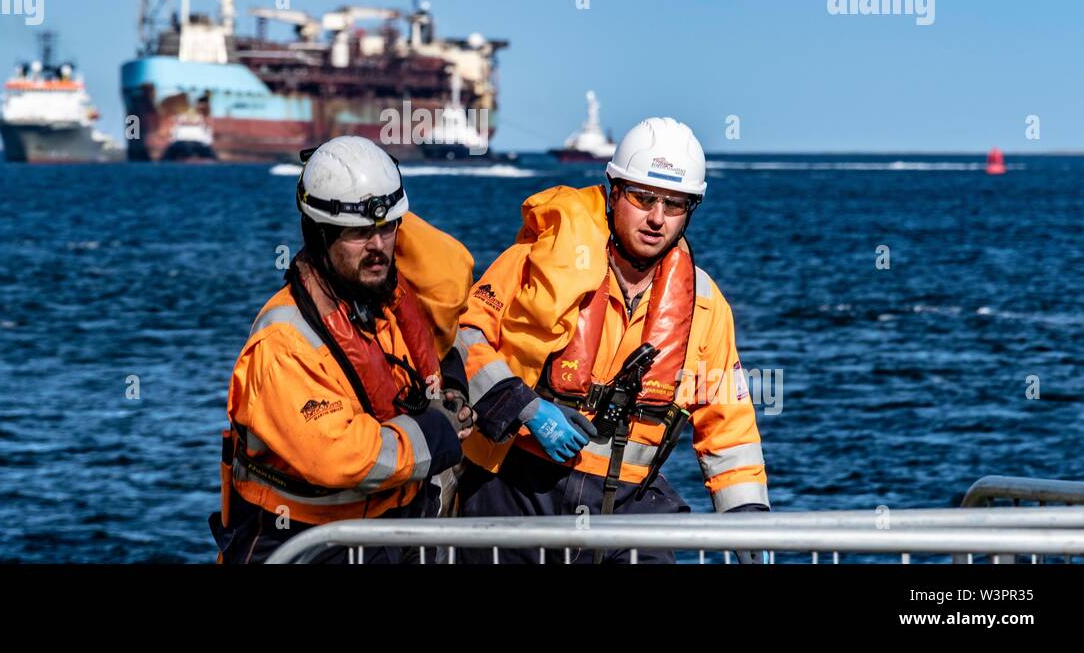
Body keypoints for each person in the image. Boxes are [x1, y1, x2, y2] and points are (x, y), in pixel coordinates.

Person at [454, 117, 770, 563]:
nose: (657, 219)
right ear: (613, 192)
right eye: (644, 198)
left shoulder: (704, 304)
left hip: (630, 510)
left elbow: (729, 423)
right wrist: (525, 407)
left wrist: (748, 519)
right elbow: (463, 340)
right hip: (519, 491)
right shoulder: (534, 264)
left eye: (675, 205)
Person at [212, 136, 476, 563]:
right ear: (319, 235)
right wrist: (437, 431)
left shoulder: (384, 306)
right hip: (305, 544)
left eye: (387, 228)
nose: (377, 247)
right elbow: (344, 457)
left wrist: (450, 390)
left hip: (390, 533)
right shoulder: (283, 344)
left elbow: (450, 278)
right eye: (358, 232)